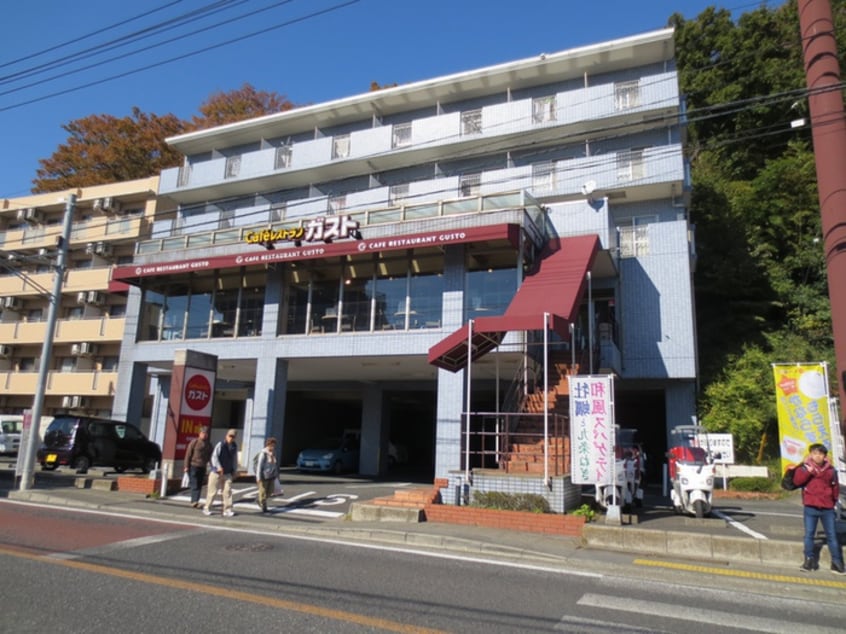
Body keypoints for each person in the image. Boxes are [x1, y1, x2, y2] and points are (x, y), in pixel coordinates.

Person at [792, 443, 845, 574]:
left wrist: (832, 501)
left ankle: (837, 562)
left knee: (831, 535)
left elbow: (835, 488)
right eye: (815, 453)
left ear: (824, 456)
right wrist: (808, 473)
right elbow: (797, 481)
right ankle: (809, 561)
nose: (818, 456)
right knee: (809, 535)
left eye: (820, 454)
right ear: (810, 454)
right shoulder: (804, 468)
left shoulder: (831, 470)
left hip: (827, 508)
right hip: (810, 506)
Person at [203, 428, 239, 517]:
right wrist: (218, 467)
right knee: (212, 491)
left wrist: (234, 470)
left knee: (227, 491)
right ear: (226, 436)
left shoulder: (234, 446)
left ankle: (227, 509)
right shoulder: (221, 444)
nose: (231, 438)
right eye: (230, 436)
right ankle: (207, 507)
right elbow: (214, 457)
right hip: (216, 472)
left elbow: (234, 459)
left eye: (233, 437)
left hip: (227, 472)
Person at [183, 426, 212, 508]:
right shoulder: (194, 442)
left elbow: (211, 456)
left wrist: (212, 467)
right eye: (203, 433)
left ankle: (196, 500)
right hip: (193, 466)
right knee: (194, 483)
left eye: (206, 433)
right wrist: (186, 466)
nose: (204, 435)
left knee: (199, 484)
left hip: (202, 467)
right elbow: (188, 455)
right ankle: (194, 501)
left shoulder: (209, 444)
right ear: (199, 434)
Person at [255, 437, 280, 513]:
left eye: (274, 445)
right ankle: (263, 506)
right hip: (264, 476)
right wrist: (258, 477)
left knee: (270, 491)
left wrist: (276, 474)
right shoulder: (263, 454)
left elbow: (274, 465)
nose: (273, 447)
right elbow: (259, 466)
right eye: (271, 445)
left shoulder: (273, 453)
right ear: (268, 445)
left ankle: (259, 499)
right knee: (263, 492)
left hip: (271, 475)